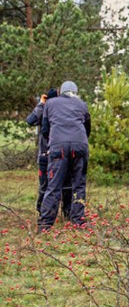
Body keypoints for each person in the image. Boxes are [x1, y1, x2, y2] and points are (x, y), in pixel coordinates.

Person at [38, 81, 91, 232]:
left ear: (61, 91)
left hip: (58, 147)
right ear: (75, 91)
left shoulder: (51, 103)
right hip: (80, 146)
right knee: (78, 184)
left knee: (54, 185)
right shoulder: (82, 104)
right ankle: (78, 221)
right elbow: (87, 128)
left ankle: (45, 224)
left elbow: (45, 129)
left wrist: (52, 143)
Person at [25, 88, 72, 218]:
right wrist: (41, 105)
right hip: (46, 155)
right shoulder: (45, 110)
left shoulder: (64, 111)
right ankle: (44, 213)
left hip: (61, 153)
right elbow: (30, 120)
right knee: (46, 186)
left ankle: (66, 213)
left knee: (66, 186)